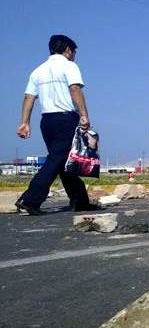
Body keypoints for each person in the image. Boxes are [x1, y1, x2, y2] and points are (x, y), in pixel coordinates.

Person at [15, 35, 98, 215]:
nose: (74, 55)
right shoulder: (69, 66)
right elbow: (75, 89)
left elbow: (29, 97)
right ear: (68, 50)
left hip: (47, 121)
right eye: (74, 52)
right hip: (65, 119)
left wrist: (24, 122)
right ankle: (30, 199)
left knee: (63, 161)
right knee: (56, 160)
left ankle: (80, 200)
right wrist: (84, 115)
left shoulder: (38, 70)